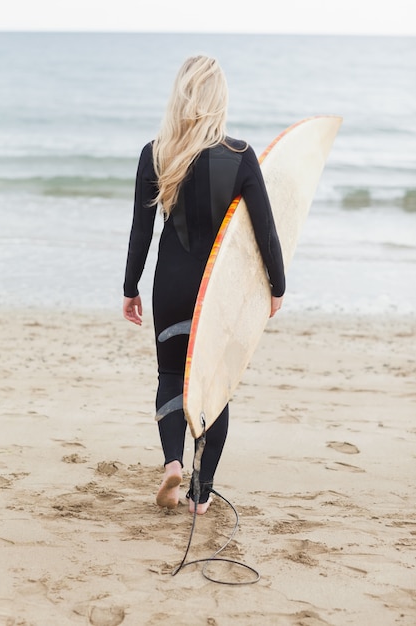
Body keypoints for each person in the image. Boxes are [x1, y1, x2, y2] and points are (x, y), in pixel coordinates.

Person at [123, 55, 285, 515]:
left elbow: (141, 231)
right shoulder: (239, 156)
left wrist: (129, 286)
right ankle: (201, 493)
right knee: (216, 385)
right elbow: (265, 230)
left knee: (171, 375)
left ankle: (173, 462)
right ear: (220, 100)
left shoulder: (156, 153)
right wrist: (277, 286)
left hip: (170, 283)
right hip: (217, 291)